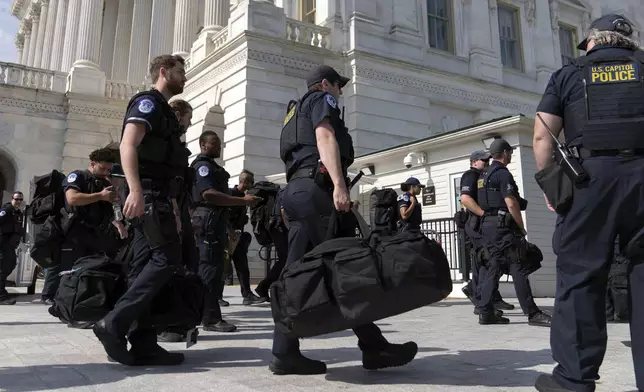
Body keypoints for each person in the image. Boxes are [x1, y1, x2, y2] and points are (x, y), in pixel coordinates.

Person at [273, 64, 418, 375]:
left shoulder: (292, 113)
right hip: (316, 190)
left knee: (296, 275)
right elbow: (325, 138)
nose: (341, 91)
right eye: (339, 86)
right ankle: (374, 347)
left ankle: (285, 351)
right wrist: (339, 184)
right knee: (344, 271)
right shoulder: (321, 100)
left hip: (296, 192)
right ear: (326, 84)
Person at [532, 14, 644, 392]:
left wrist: (551, 188)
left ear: (592, 42)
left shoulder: (570, 73)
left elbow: (542, 135)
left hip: (589, 180)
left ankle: (574, 381)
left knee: (580, 277)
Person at [93, 54, 190, 366]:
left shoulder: (164, 110)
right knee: (166, 259)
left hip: (158, 195)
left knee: (143, 266)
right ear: (163, 72)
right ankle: (115, 323)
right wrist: (135, 191)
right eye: (179, 72)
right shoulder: (148, 103)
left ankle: (144, 342)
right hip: (148, 195)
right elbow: (128, 145)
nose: (184, 78)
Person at [476, 138, 551, 327]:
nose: (511, 156)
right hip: (504, 227)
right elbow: (511, 202)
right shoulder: (502, 174)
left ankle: (485, 312)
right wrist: (520, 226)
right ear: (505, 153)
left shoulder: (483, 176)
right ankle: (532, 313)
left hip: (488, 226)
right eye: (510, 153)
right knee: (518, 266)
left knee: (493, 268)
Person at [190, 131, 261, 332]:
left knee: (214, 270)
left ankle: (206, 314)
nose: (218, 147)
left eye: (219, 144)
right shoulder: (203, 167)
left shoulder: (211, 166)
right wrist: (242, 201)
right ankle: (210, 318)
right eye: (214, 143)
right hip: (209, 220)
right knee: (210, 271)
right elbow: (209, 194)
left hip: (215, 221)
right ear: (203, 144)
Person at [39, 148, 125, 306]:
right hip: (74, 232)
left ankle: (78, 304)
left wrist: (118, 223)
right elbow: (72, 199)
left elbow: (108, 209)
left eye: (108, 169)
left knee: (87, 269)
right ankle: (57, 301)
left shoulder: (105, 183)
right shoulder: (78, 176)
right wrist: (100, 196)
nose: (106, 172)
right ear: (93, 164)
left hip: (94, 234)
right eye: (103, 168)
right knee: (68, 270)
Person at [459, 151, 511, 315]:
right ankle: (480, 299)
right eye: (484, 160)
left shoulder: (485, 175)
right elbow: (466, 199)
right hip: (476, 225)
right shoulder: (470, 175)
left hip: (484, 225)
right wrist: (483, 214)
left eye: (488, 159)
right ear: (474, 161)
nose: (487, 162)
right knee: (486, 262)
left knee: (490, 261)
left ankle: (489, 297)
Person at [224, 169, 263, 305]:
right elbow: (224, 216)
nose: (252, 185)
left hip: (238, 236)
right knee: (222, 267)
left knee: (243, 267)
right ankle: (215, 297)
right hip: (228, 236)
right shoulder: (231, 194)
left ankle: (247, 295)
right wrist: (230, 231)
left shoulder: (243, 197)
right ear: (245, 181)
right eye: (251, 182)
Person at [0, 192, 25, 306]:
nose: (18, 202)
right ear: (12, 199)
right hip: (3, 244)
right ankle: (1, 296)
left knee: (10, 265)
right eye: (17, 199)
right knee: (3, 268)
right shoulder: (6, 210)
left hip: (10, 245)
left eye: (20, 200)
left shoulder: (19, 213)